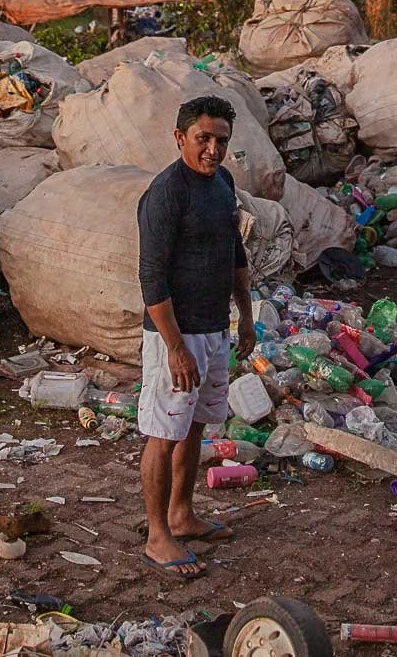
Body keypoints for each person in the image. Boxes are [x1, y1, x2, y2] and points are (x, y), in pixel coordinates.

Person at [136, 94, 254, 579]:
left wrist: (245, 316)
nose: (212, 150)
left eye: (220, 140)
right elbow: (151, 279)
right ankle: (157, 534)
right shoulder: (166, 193)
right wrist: (175, 347)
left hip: (214, 327)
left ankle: (182, 515)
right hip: (176, 335)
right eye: (202, 139)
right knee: (164, 432)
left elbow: (235, 254)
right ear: (180, 138)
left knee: (197, 423)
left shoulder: (223, 183)